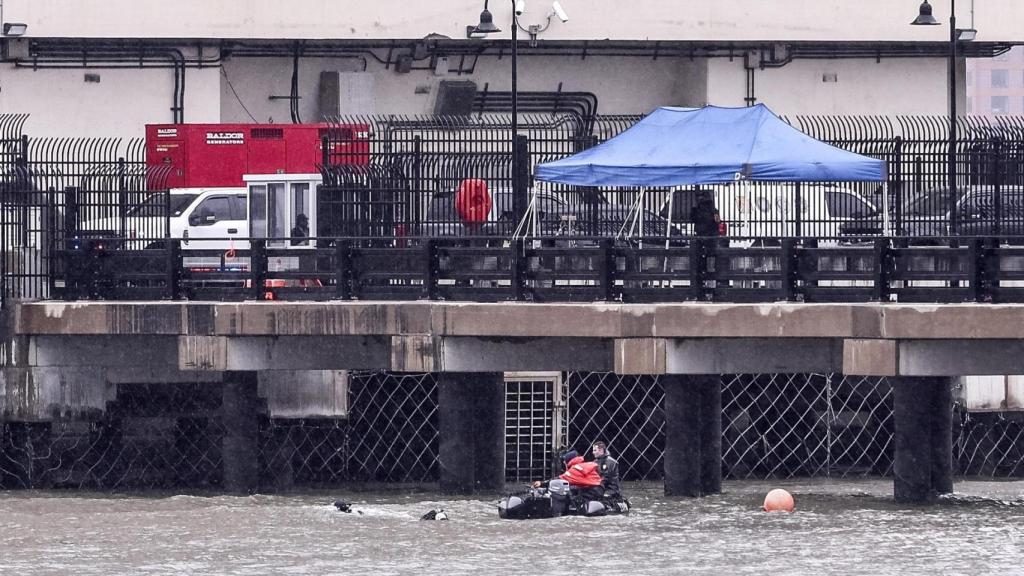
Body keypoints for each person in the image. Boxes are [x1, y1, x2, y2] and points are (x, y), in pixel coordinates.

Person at [533, 449, 604, 501]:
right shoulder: (583, 465)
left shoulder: (575, 469)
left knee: (572, 499)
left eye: (564, 462)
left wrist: (542, 483)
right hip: (597, 488)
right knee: (572, 490)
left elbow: (561, 479)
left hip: (592, 490)